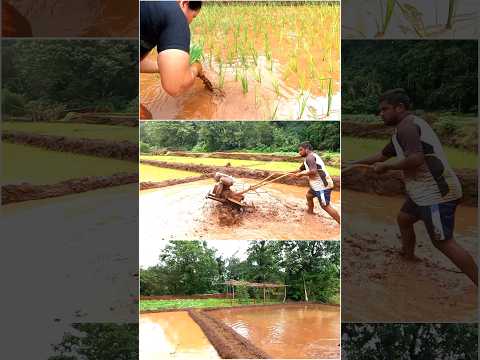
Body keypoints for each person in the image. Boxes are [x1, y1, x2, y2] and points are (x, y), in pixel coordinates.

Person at [346, 88, 477, 286]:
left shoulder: (407, 127)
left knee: (443, 242)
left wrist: (387, 167)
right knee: (404, 219)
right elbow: (382, 156)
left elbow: (415, 159)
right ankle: (408, 256)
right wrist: (353, 163)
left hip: (437, 194)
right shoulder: (402, 129)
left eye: (384, 109)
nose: (381, 114)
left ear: (400, 108)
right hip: (422, 192)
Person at [140, 1, 203, 97]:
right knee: (144, 113)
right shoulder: (176, 15)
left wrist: (166, 68)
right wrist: (196, 68)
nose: (190, 22)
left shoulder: (152, 10)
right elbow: (175, 87)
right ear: (184, 3)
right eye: (193, 16)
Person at [291, 142, 340, 223]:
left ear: (306, 149)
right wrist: (290, 173)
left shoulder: (310, 157)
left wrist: (301, 174)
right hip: (316, 185)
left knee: (325, 206)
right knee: (309, 196)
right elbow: (300, 169)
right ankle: (310, 212)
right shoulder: (308, 158)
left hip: (322, 186)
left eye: (300, 150)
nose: (299, 152)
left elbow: (313, 171)